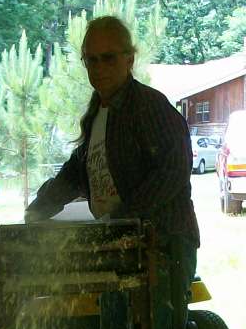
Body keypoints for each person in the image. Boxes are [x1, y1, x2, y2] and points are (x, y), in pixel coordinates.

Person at [25, 16, 199, 288]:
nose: (99, 68)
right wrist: (41, 207)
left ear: (129, 59)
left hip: (164, 248)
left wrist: (124, 217)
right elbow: (76, 173)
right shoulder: (99, 111)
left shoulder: (149, 106)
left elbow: (173, 171)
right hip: (124, 244)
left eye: (109, 58)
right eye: (91, 60)